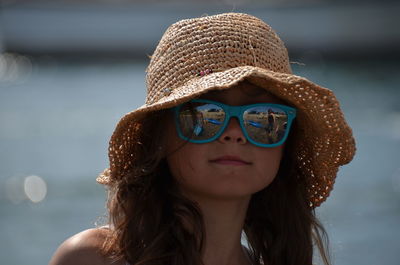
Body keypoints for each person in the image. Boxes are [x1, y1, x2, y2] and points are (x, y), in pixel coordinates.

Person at [49, 13, 356, 265]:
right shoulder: (91, 258)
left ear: (285, 145)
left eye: (264, 119)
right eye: (205, 114)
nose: (234, 133)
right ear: (158, 136)